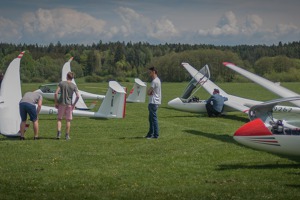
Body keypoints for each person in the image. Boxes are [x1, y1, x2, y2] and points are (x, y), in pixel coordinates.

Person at [54, 71, 80, 140]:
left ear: (67, 76)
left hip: (61, 103)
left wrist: (56, 102)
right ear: (72, 78)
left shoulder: (61, 83)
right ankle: (67, 135)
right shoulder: (74, 85)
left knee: (59, 119)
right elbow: (78, 96)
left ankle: (59, 133)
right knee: (68, 120)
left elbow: (56, 93)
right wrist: (73, 104)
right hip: (69, 104)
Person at [145, 67, 162, 139]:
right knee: (151, 119)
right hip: (156, 101)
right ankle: (150, 134)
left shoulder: (154, 81)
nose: (150, 73)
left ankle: (155, 135)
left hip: (153, 102)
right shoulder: (158, 80)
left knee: (153, 119)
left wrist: (148, 92)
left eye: (150, 72)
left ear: (154, 72)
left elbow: (149, 91)